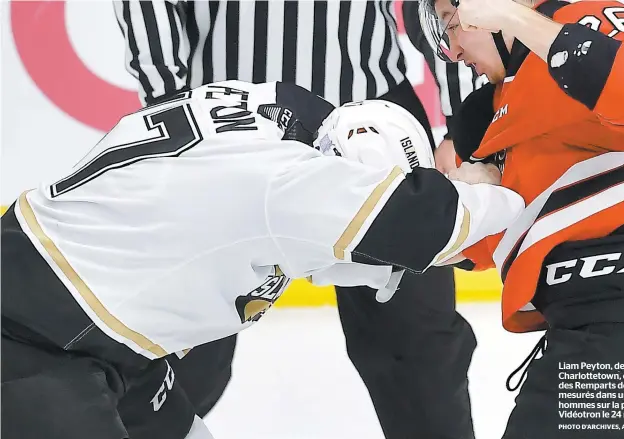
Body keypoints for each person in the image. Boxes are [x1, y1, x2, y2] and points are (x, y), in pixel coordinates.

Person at [0, 80, 524, 439]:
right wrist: (515, 189)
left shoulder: (267, 115)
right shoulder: (284, 183)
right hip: (34, 334)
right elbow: (429, 221)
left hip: (105, 330)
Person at [113, 3, 482, 436]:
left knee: (418, 350)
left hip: (375, 133)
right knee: (179, 351)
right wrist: (169, 110)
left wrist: (465, 123)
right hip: (226, 128)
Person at [418, 0, 624, 437]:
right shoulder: (485, 114)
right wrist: (459, 200)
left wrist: (513, 17)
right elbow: (472, 247)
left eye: (452, 24)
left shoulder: (588, 17)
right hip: (581, 341)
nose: (453, 51)